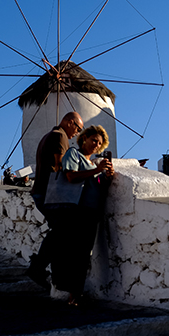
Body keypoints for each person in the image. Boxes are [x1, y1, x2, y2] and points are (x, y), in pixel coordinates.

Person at [52, 125, 113, 306]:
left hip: (92, 211)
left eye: (99, 143)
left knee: (84, 253)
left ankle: (75, 293)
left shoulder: (92, 164)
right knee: (76, 253)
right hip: (78, 210)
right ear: (84, 138)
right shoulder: (74, 154)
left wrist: (106, 175)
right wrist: (96, 170)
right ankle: (73, 294)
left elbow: (97, 185)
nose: (96, 144)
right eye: (94, 140)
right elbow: (70, 176)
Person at [25, 112, 84, 289]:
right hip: (49, 193)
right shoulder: (60, 136)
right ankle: (38, 268)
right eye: (78, 128)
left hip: (41, 191)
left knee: (60, 232)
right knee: (62, 230)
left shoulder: (47, 136)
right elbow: (61, 167)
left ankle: (55, 278)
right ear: (70, 122)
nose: (77, 133)